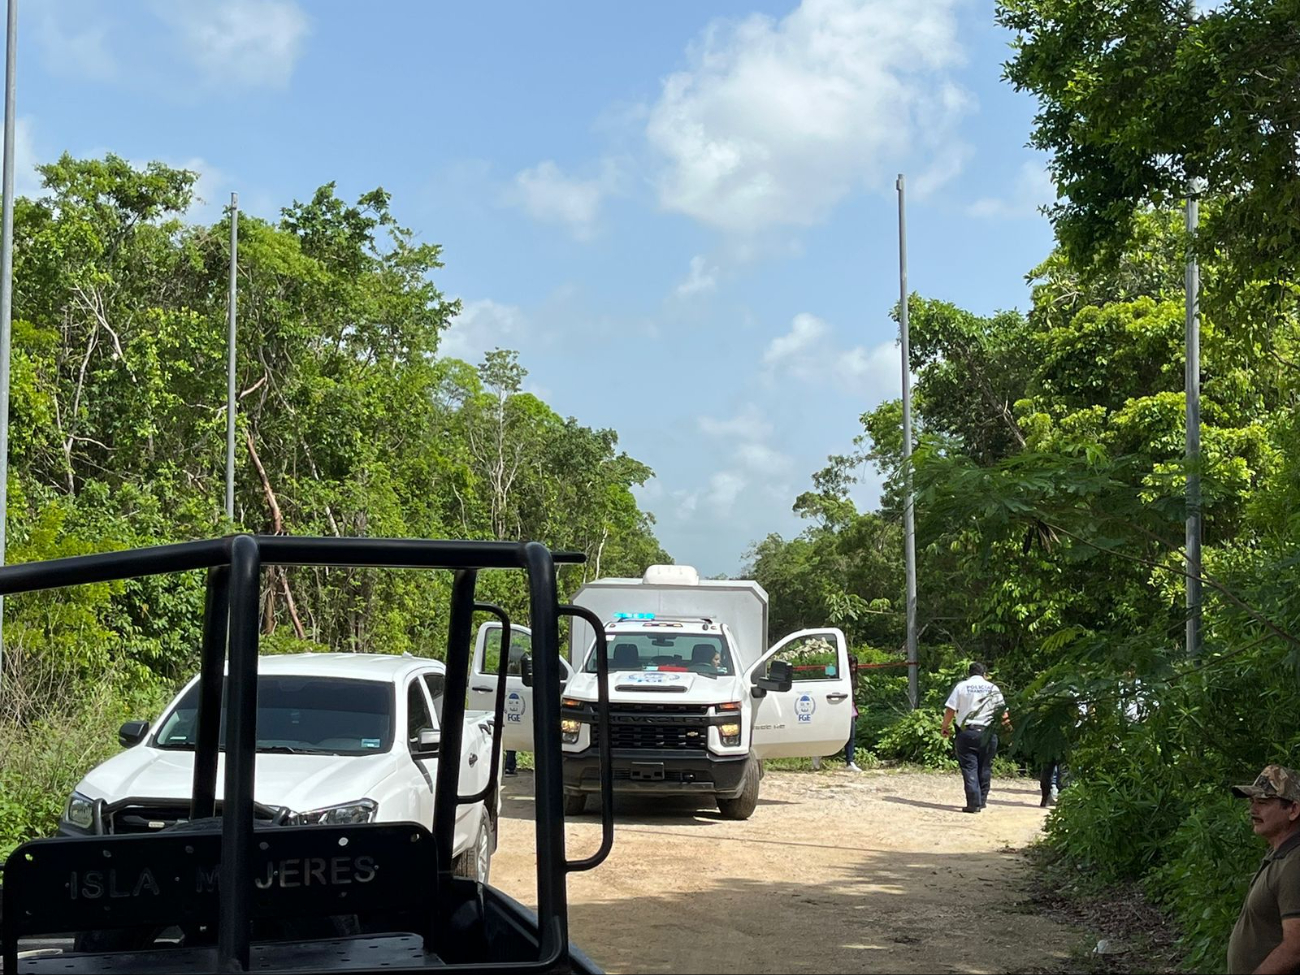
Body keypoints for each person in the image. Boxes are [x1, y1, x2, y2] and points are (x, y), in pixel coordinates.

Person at [1227, 765, 1300, 975]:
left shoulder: (1295, 863)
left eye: (1263, 802)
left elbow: (1295, 947)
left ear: (1293, 810)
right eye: (1252, 802)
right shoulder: (1280, 855)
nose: (1253, 810)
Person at [940, 662, 1012, 813]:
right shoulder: (993, 688)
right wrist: (1009, 731)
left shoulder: (961, 687)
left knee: (969, 767)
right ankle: (983, 801)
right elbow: (1003, 714)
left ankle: (973, 803)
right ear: (984, 674)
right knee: (985, 766)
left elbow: (950, 710)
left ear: (969, 673)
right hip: (988, 732)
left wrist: (945, 727)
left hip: (967, 733)